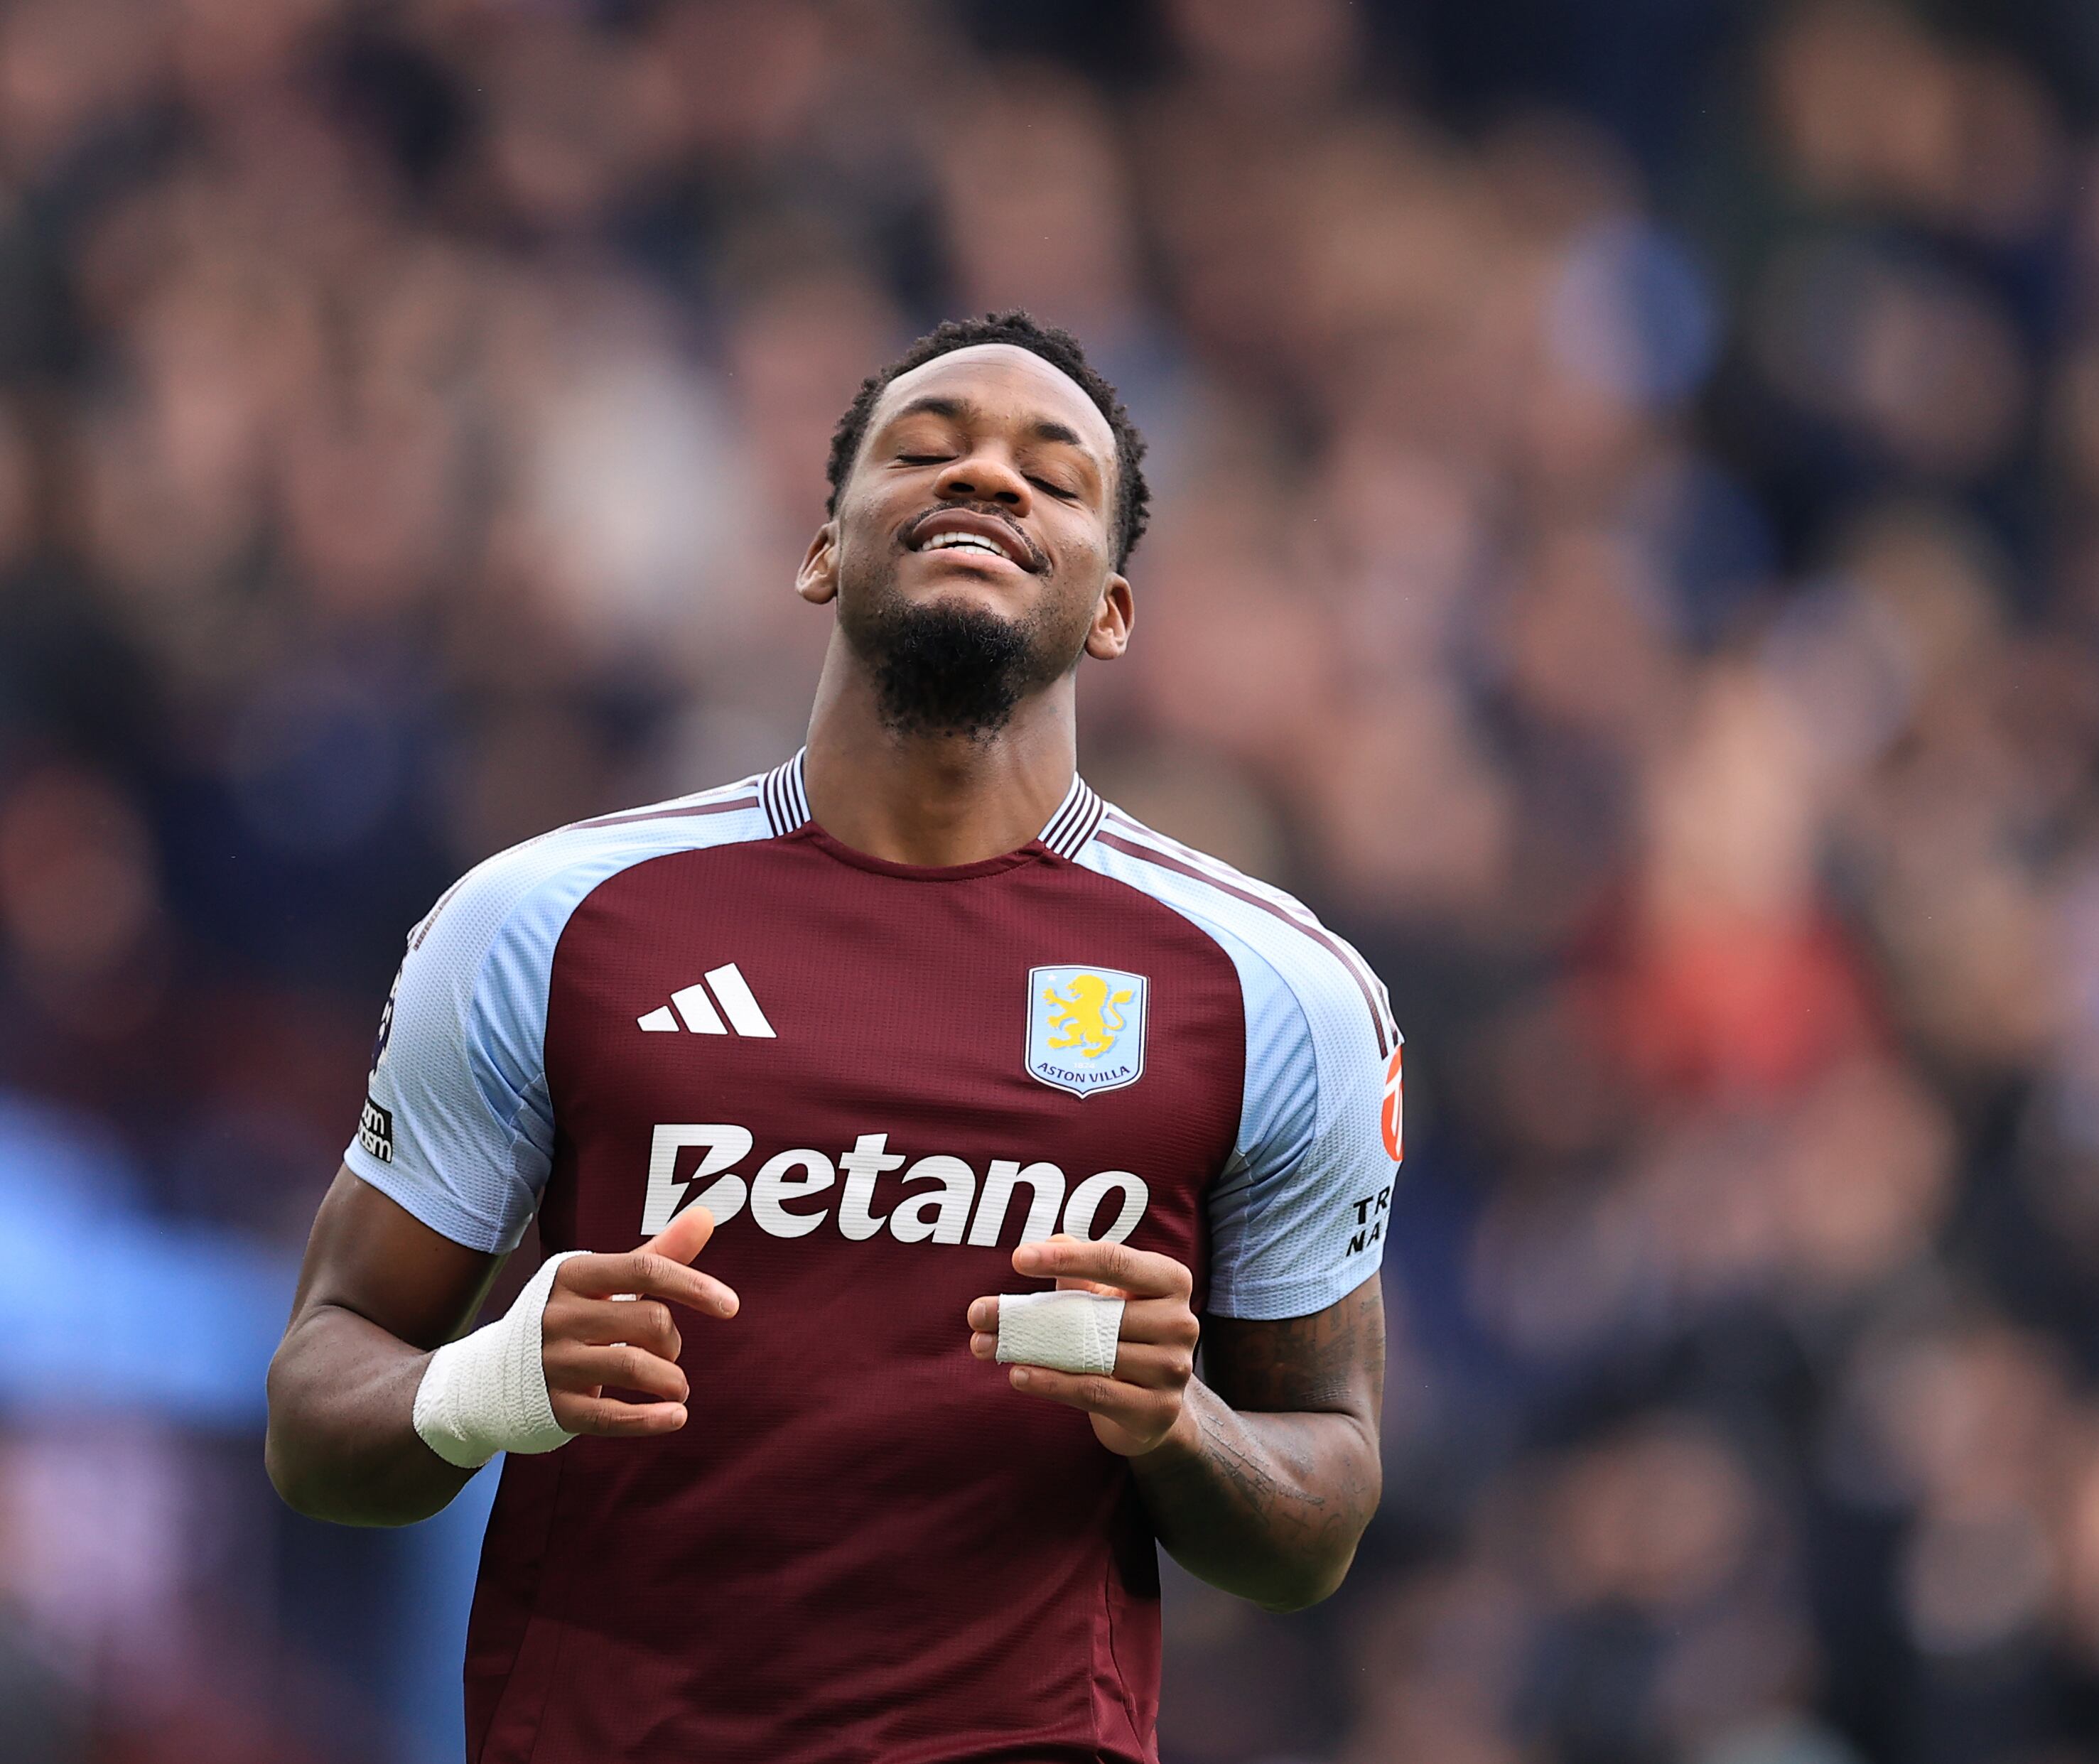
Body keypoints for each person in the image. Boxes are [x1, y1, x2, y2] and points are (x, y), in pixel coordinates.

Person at [264, 312, 1403, 1764]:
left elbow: (1317, 1521)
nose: (987, 480)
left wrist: (1183, 1425)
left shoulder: (1280, 990)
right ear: (821, 553)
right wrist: (497, 1377)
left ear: (1111, 609)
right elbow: (314, 1420)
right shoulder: (544, 922)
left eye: (1050, 476)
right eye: (927, 452)